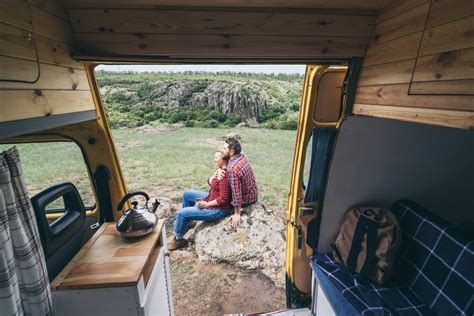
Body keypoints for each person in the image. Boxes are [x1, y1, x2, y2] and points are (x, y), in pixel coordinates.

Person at [167, 151, 232, 251]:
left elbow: (223, 199)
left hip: (218, 209)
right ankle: (189, 222)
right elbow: (214, 184)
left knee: (182, 214)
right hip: (212, 197)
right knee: (187, 194)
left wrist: (206, 204)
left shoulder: (224, 175)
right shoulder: (221, 169)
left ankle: (178, 239)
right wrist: (211, 178)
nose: (214, 159)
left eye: (216, 158)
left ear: (224, 160)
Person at [219, 136, 258, 228]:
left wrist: (237, 213)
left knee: (220, 195)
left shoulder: (232, 169)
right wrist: (221, 169)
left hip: (246, 200)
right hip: (253, 195)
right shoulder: (242, 156)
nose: (221, 150)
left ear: (231, 152)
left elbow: (236, 193)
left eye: (224, 148)